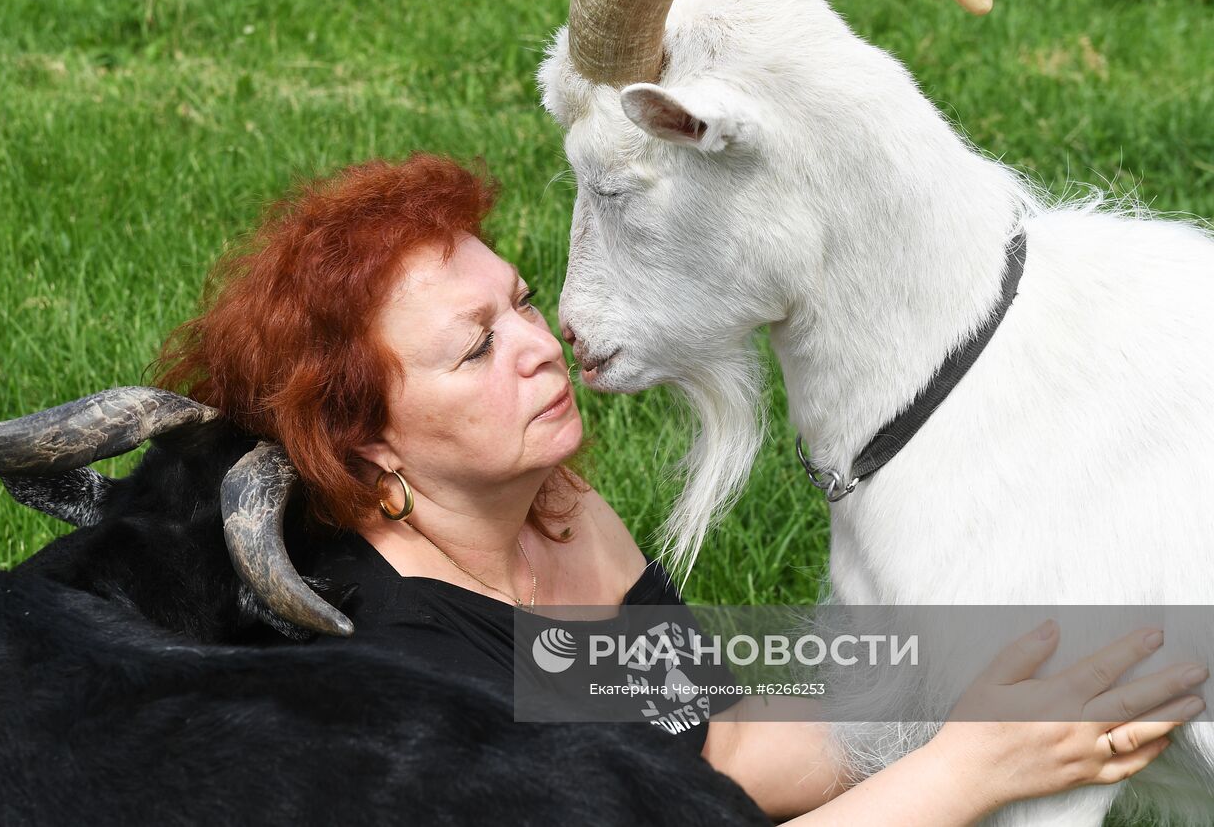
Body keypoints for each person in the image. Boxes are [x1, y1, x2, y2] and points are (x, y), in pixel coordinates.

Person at [152, 153, 1205, 823]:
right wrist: (969, 766)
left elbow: (715, 755)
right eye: (477, 350)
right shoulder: (410, 664)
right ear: (370, 445)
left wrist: (966, 679)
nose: (540, 344)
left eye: (517, 302)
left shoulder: (550, 520)